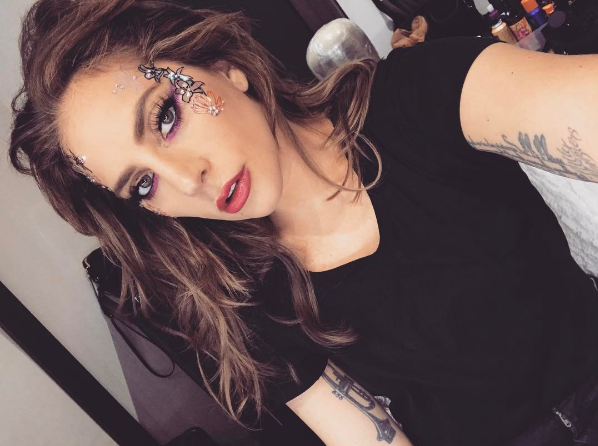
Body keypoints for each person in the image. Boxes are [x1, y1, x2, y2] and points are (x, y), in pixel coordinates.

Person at [9, 0, 598, 445]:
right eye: (142, 184)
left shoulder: (420, 98)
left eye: (165, 117)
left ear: (223, 66)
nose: (187, 180)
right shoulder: (243, 299)